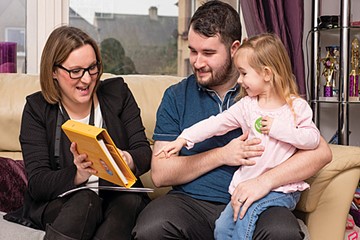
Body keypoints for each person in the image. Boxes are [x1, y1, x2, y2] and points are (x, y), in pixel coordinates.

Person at [132, 1, 331, 240]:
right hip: (191, 204)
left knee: (282, 233)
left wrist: (264, 182)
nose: (197, 62)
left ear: (234, 48)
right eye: (193, 51)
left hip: (259, 200)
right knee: (151, 228)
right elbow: (161, 173)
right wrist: (223, 155)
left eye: (208, 53)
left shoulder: (266, 95)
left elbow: (321, 153)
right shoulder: (177, 96)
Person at [12, 26, 151, 240]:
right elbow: (38, 184)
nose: (86, 79)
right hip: (66, 202)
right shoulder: (37, 108)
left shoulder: (118, 94)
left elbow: (144, 152)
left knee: (129, 202)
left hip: (118, 198)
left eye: (92, 68)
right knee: (85, 200)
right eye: (75, 71)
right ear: (53, 71)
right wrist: (78, 174)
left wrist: (127, 159)